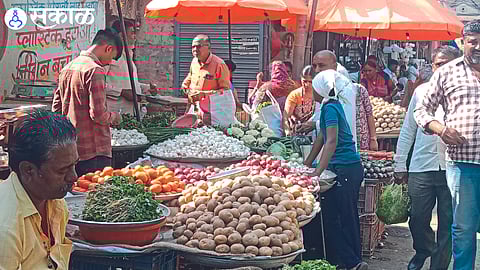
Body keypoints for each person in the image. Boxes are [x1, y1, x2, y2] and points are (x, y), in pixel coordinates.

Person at [414, 20, 480, 270]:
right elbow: (421, 109)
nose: (478, 46)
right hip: (463, 163)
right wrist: (440, 129)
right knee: (463, 228)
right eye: (473, 41)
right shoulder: (447, 72)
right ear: (463, 42)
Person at [394, 46, 460, 270]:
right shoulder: (421, 92)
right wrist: (399, 163)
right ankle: (424, 249)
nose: (441, 68)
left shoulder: (465, 92)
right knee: (418, 218)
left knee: (448, 224)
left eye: (446, 64)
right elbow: (408, 130)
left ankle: (438, 266)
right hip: (421, 166)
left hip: (453, 166)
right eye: (437, 64)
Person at [304, 70, 367, 270]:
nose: (311, 90)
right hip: (342, 167)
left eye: (313, 86)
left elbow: (331, 141)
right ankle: (347, 261)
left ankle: (353, 262)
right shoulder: (329, 106)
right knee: (334, 217)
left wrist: (317, 172)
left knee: (341, 218)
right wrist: (307, 164)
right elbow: (321, 138)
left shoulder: (330, 108)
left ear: (320, 89)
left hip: (345, 168)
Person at [0, 110, 78, 269]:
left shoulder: (56, 204)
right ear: (29, 170)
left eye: (75, 165)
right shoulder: (6, 227)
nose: (74, 177)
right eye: (62, 171)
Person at [52, 28, 123, 176]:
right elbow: (98, 115)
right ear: (108, 48)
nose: (109, 62)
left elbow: (56, 109)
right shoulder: (95, 70)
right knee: (95, 194)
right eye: (112, 57)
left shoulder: (68, 68)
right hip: (94, 152)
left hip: (72, 149)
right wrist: (115, 117)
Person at [300, 50, 379, 151]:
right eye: (314, 66)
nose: (317, 70)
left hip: (351, 146)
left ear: (335, 67)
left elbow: (340, 122)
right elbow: (321, 115)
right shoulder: (321, 90)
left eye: (321, 65)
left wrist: (373, 139)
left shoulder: (348, 92)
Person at [105, 20, 156, 115]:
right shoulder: (110, 56)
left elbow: (129, 83)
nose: (135, 37)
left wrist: (147, 88)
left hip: (130, 113)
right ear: (121, 36)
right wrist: (121, 92)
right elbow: (98, 85)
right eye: (132, 33)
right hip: (115, 113)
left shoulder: (128, 56)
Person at [181, 34, 234, 126]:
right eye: (193, 46)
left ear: (208, 47)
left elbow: (225, 92)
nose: (195, 49)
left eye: (198, 46)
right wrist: (185, 84)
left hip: (212, 111)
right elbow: (190, 75)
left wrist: (204, 94)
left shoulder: (219, 65)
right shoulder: (194, 61)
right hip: (194, 107)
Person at [282, 65, 315, 136]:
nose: (307, 85)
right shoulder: (295, 95)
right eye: (304, 81)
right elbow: (286, 117)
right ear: (301, 79)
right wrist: (287, 132)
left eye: (310, 82)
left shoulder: (320, 95)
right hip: (297, 132)